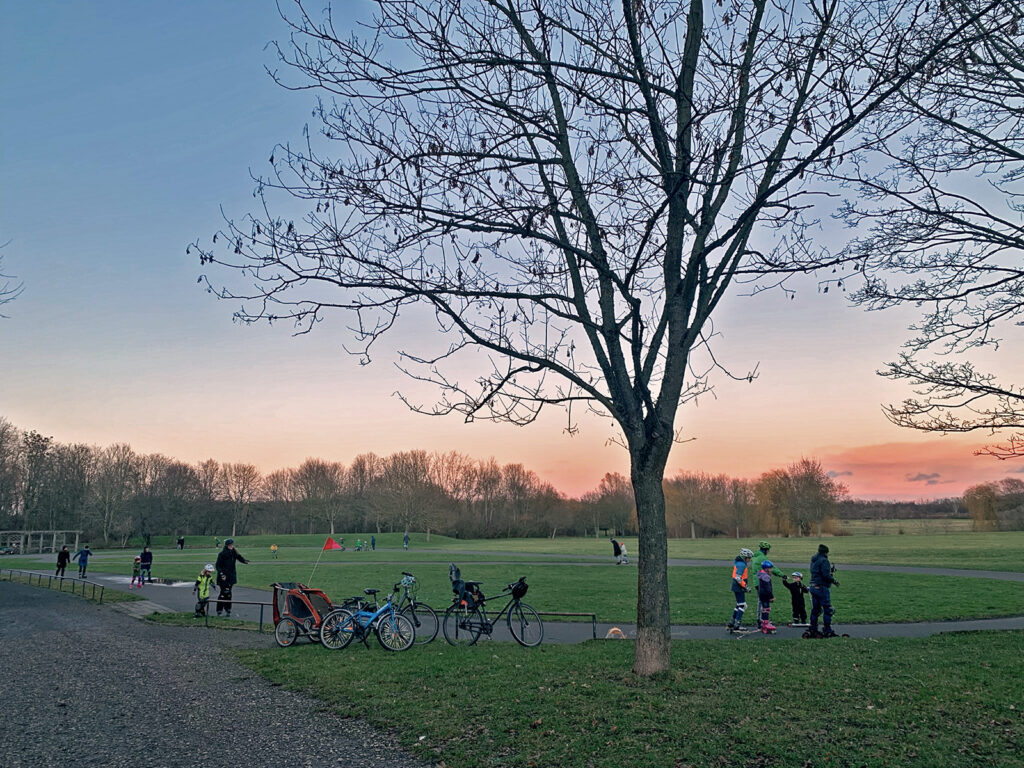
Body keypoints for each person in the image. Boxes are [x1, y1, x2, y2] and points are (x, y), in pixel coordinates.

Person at [808, 544, 839, 638]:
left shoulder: (813, 560)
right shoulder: (824, 561)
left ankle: (813, 628)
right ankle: (827, 629)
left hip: (813, 586)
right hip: (822, 587)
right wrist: (833, 580)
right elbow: (825, 575)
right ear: (826, 552)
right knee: (827, 609)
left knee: (816, 609)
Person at [215, 538, 249, 618]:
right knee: (223, 593)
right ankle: (219, 609)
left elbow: (239, 557)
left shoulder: (234, 552)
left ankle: (228, 609)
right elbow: (218, 565)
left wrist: (244, 561)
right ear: (227, 546)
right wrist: (221, 574)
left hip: (231, 576)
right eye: (230, 545)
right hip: (223, 577)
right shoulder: (222, 554)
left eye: (232, 545)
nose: (231, 546)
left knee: (229, 593)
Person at [727, 548, 754, 630]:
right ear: (744, 557)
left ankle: (732, 622)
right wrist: (745, 587)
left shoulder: (739, 563)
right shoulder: (742, 565)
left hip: (736, 586)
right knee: (742, 605)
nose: (749, 560)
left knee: (739, 604)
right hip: (739, 586)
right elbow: (738, 578)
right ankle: (737, 624)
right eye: (749, 558)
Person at [756, 559, 776, 633]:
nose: (771, 570)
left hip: (762, 594)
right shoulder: (766, 577)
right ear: (767, 569)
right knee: (766, 609)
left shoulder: (761, 574)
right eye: (770, 568)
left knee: (764, 609)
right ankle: (765, 624)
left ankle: (764, 622)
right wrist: (771, 597)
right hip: (765, 595)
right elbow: (768, 589)